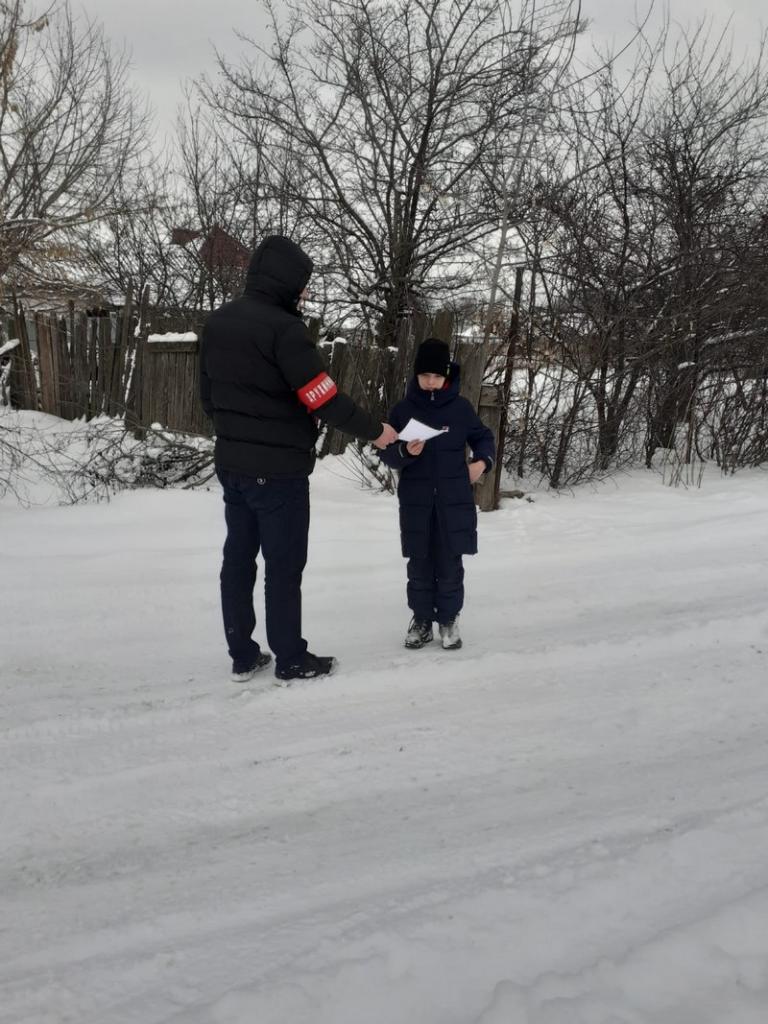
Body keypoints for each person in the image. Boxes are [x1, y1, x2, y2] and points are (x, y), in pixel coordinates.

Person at [200, 234, 397, 683]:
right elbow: (323, 398)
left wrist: (238, 435)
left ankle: (243, 654)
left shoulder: (218, 323)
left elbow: (207, 398)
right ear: (286, 281)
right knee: (284, 567)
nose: (305, 292)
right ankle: (290, 657)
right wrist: (377, 431)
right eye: (303, 284)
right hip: (280, 473)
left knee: (238, 560)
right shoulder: (285, 330)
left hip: (233, 467)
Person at [378, 338, 495, 650]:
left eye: (436, 376)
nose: (430, 382)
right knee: (419, 564)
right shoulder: (403, 410)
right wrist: (404, 451)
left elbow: (483, 437)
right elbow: (387, 453)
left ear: (447, 377)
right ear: (415, 376)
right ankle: (420, 619)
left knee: (449, 563)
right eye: (424, 376)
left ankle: (448, 618)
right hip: (416, 502)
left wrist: (481, 462)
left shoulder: (460, 409)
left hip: (453, 500)